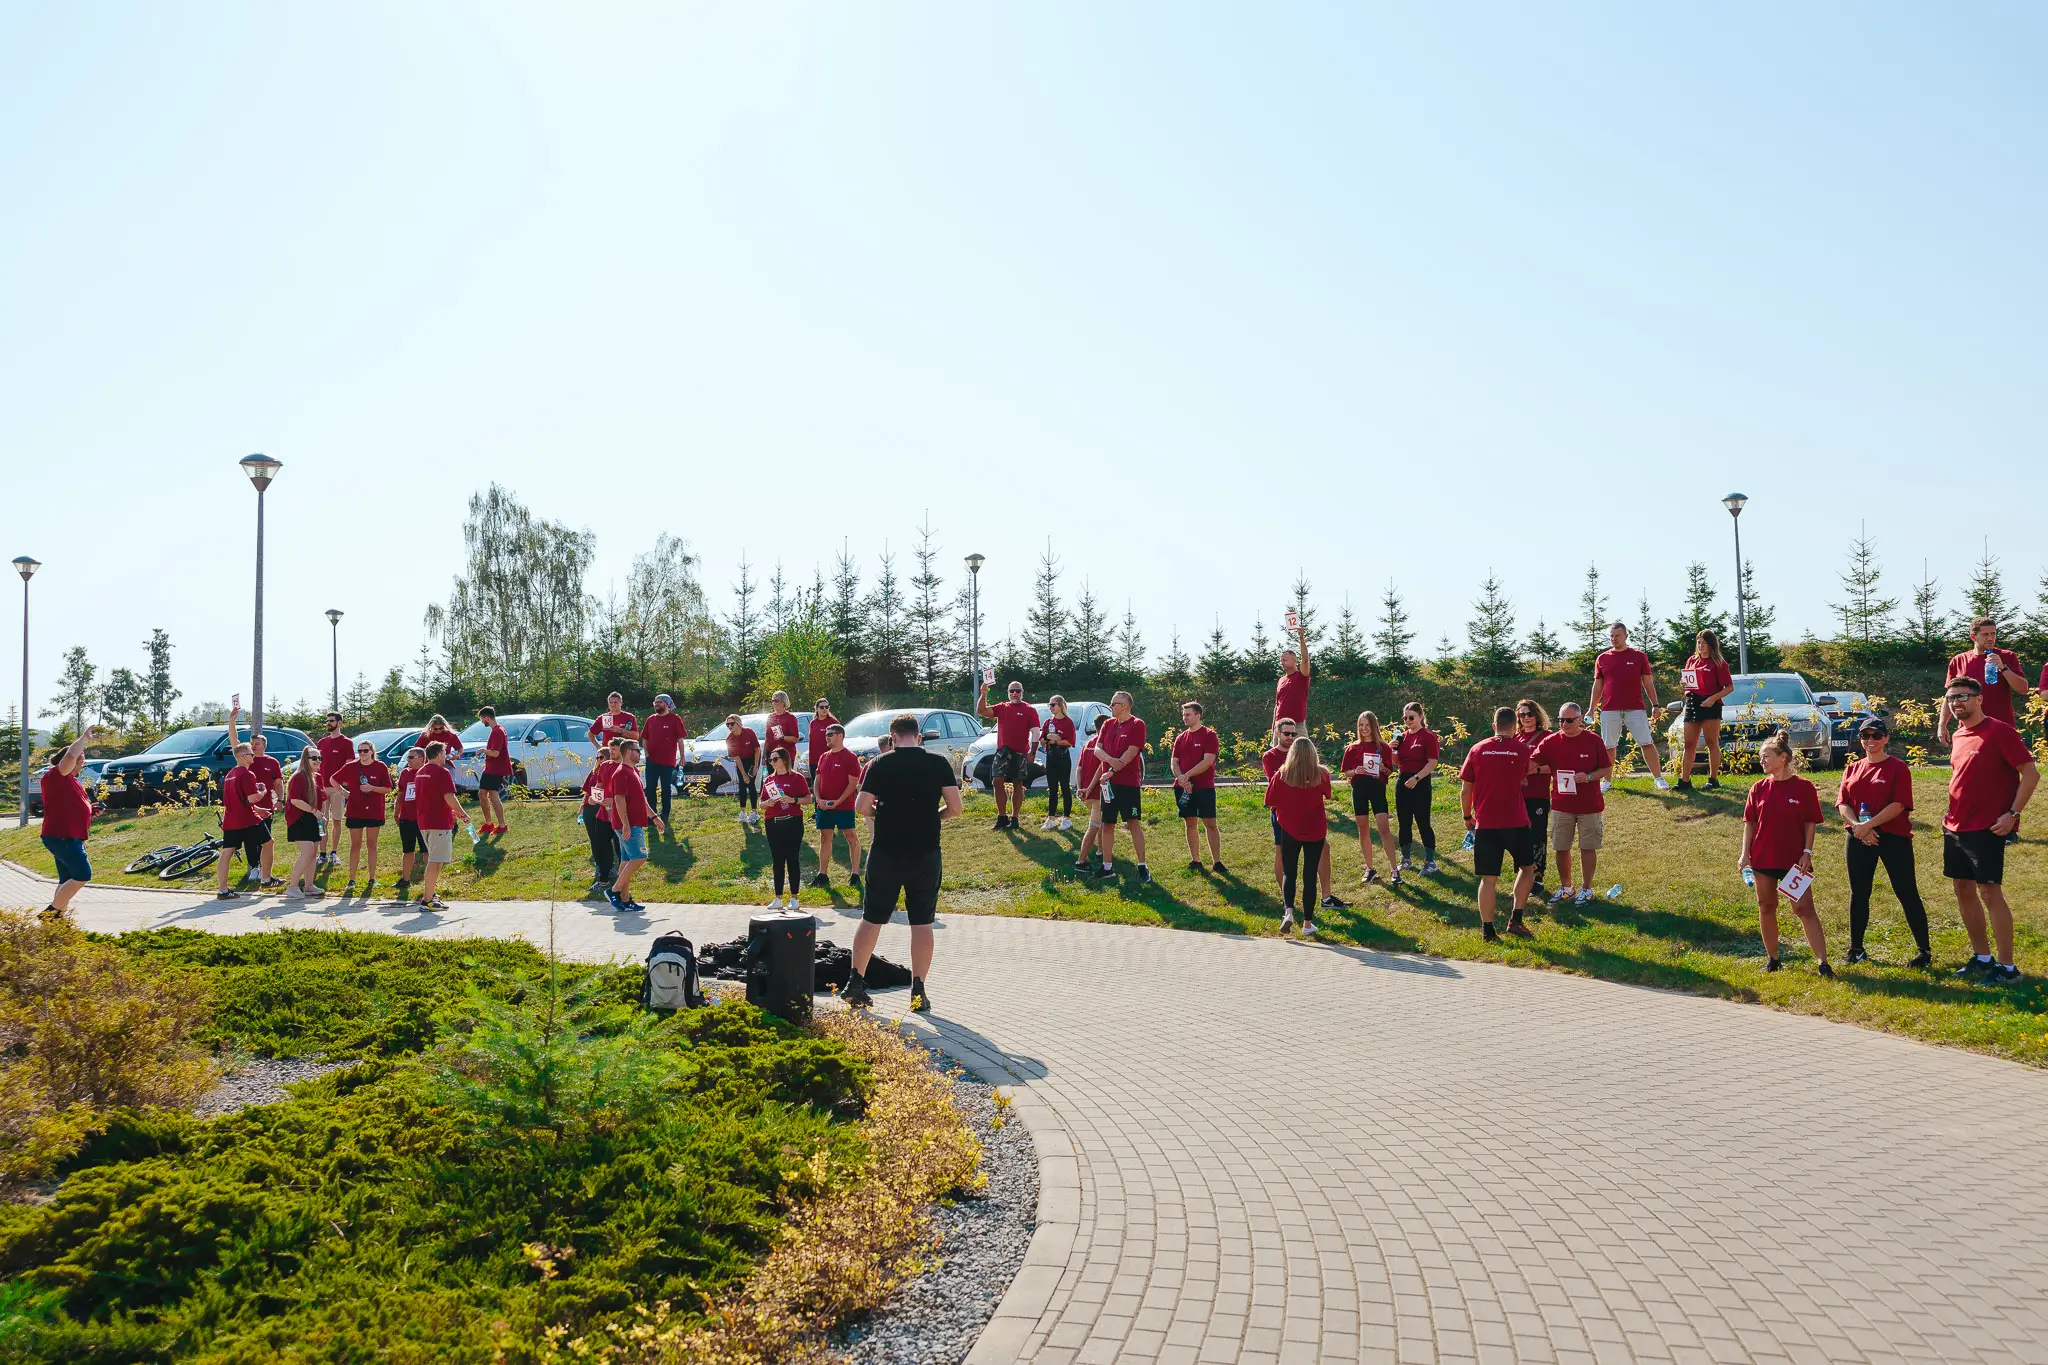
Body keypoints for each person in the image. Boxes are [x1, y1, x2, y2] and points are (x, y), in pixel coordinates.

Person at [843, 712, 962, 1014]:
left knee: (872, 918)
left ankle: (855, 983)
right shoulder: (938, 763)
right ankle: (918, 991)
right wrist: (933, 817)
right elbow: (955, 807)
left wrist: (881, 814)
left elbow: (861, 806)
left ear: (893, 738)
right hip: (925, 852)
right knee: (921, 922)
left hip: (886, 851)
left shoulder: (880, 763)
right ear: (918, 737)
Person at [1938, 676, 2037, 982]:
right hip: (1956, 825)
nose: (1957, 702)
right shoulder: (1959, 734)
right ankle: (1982, 959)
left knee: (1989, 891)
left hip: (1988, 826)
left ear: (1979, 699)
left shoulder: (1999, 731)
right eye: (1952, 698)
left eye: (1963, 696)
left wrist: (2012, 814)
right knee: (1962, 888)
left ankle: (2007, 968)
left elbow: (2030, 773)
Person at [1835, 716, 1931, 968]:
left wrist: (1869, 825)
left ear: (1886, 738)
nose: (1871, 740)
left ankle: (1924, 952)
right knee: (1859, 893)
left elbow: (1899, 805)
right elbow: (1843, 804)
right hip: (1858, 836)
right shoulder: (1852, 769)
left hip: (1893, 837)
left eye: (1876, 735)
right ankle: (1856, 949)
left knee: (1906, 892)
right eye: (1865, 736)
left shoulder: (1898, 768)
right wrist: (1858, 827)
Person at [1737, 733, 1833, 976]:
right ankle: (1773, 959)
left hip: (1794, 861)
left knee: (1804, 908)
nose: (1762, 761)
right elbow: (1749, 823)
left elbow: (1811, 822)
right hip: (1763, 859)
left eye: (1766, 756)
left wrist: (1807, 852)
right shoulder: (1758, 788)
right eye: (1760, 757)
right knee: (1766, 906)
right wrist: (1744, 854)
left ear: (1783, 758)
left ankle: (1823, 963)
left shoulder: (1804, 787)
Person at [1460, 707, 1538, 942]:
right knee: (1528, 869)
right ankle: (1516, 919)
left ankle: (1488, 930)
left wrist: (1467, 817)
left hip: (1486, 823)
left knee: (1488, 879)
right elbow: (1526, 773)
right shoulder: (1522, 749)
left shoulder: (1477, 749)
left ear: (1494, 726)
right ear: (1515, 727)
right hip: (1516, 821)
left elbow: (1466, 790)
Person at [1531, 703, 1613, 906]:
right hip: (1562, 805)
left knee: (1588, 847)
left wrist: (1589, 777)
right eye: (1560, 720)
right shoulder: (1551, 741)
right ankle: (1566, 887)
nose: (1564, 724)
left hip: (1589, 806)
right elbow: (1532, 762)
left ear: (1579, 720)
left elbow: (1606, 768)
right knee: (1561, 847)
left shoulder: (1593, 740)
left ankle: (1587, 889)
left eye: (1569, 720)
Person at [1265, 735, 1335, 935]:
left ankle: (1288, 912)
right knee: (1310, 875)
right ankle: (1307, 924)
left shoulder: (1282, 774)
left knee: (1289, 872)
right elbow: (1328, 793)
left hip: (1289, 828)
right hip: (1315, 829)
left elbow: (1270, 800)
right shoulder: (1321, 774)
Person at [1589, 622, 1669, 791]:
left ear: (1626, 636)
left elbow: (1648, 682)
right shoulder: (1602, 658)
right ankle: (1606, 781)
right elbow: (1598, 686)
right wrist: (1591, 709)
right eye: (1611, 636)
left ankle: (1659, 779)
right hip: (1609, 709)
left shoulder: (1639, 656)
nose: (1614, 639)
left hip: (1635, 709)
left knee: (1646, 743)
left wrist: (1655, 705)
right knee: (1609, 746)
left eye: (1617, 635)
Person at [37, 727, 98, 923]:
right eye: (81, 761)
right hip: (62, 836)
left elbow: (72, 806)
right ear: (69, 762)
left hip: (70, 837)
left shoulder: (72, 781)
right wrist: (84, 739)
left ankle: (57, 921)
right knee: (82, 875)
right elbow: (71, 754)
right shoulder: (56, 776)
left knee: (66, 879)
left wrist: (91, 810)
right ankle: (50, 914)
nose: (82, 764)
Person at [1096, 691, 1150, 882]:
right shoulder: (1107, 724)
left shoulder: (1137, 724)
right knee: (1107, 824)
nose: (1110, 707)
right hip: (1108, 785)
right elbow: (1097, 749)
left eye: (1113, 704)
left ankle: (1142, 865)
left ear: (1125, 706)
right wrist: (1110, 761)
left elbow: (1131, 752)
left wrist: (1112, 769)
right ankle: (1107, 866)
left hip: (1128, 784)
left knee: (1132, 822)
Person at [1339, 711, 1398, 886]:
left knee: (1384, 829)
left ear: (1374, 726)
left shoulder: (1383, 747)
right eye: (1361, 725)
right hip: (1359, 791)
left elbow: (1389, 771)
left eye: (1367, 725)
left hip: (1377, 790)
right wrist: (1355, 771)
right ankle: (1370, 868)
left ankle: (1394, 869)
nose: (1364, 728)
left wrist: (1382, 768)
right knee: (1363, 829)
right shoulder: (1352, 748)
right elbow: (1346, 772)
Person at [227, 703, 282, 888]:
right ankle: (254, 867)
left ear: (264, 745)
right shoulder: (245, 759)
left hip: (265, 805)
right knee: (251, 839)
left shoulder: (272, 762)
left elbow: (278, 782)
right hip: (249, 806)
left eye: (257, 743)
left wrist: (279, 800)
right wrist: (232, 721)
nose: (253, 745)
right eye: (252, 743)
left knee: (266, 839)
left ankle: (265, 872)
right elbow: (234, 740)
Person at [606, 739, 665, 911]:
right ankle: (614, 891)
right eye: (637, 750)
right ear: (627, 752)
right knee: (640, 857)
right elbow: (619, 799)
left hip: (632, 823)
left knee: (626, 861)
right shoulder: (621, 773)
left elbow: (641, 800)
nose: (640, 753)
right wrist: (625, 824)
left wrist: (654, 817)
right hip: (628, 824)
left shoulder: (633, 771)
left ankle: (625, 900)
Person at [1944, 616, 2030, 731]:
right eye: (1985, 634)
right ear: (1973, 637)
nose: (1990, 638)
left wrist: (2002, 667)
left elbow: (2023, 689)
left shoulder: (2007, 656)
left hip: (2002, 727)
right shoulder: (1959, 660)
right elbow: (1949, 696)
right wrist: (1942, 725)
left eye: (1993, 634)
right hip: (1969, 728)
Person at [213, 742, 275, 900]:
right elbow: (253, 798)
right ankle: (266, 879)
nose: (253, 756)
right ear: (242, 757)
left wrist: (258, 809)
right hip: (248, 819)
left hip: (231, 820)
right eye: (251, 754)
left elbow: (241, 800)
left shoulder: (230, 774)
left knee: (227, 852)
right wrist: (263, 792)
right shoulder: (247, 774)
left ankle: (223, 890)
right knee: (268, 843)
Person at [331, 738, 393, 896]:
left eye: (365, 750)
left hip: (374, 811)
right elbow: (333, 779)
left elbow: (388, 788)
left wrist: (372, 788)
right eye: (359, 751)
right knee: (355, 845)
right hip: (355, 810)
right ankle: (351, 879)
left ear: (372, 751)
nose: (362, 753)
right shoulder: (351, 766)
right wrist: (344, 793)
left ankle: (372, 878)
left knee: (372, 844)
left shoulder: (380, 766)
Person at [411, 740, 468, 911]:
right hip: (438, 823)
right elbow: (449, 796)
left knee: (435, 859)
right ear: (438, 755)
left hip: (425, 822)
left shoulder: (420, 772)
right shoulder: (442, 772)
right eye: (444, 752)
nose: (446, 755)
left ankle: (430, 894)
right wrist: (462, 813)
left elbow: (432, 797)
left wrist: (450, 811)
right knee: (435, 861)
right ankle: (427, 900)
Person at [1676, 630, 1735, 790]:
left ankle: (1713, 779)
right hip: (1692, 702)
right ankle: (1685, 781)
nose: (1700, 646)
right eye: (1698, 642)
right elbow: (1688, 682)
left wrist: (1713, 698)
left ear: (1711, 644)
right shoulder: (1692, 660)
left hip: (1711, 704)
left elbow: (1729, 687)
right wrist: (1683, 683)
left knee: (1711, 742)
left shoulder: (1718, 662)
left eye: (1704, 643)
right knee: (1689, 743)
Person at [978, 679, 1040, 831]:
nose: (1014, 693)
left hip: (1020, 752)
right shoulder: (1002, 707)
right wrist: (983, 694)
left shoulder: (1029, 710)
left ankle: (1015, 818)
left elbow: (1035, 732)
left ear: (1022, 692)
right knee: (996, 782)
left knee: (1018, 784)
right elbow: (982, 711)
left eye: (1017, 691)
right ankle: (1002, 817)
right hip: (1003, 751)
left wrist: (1032, 752)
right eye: (1012, 691)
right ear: (1008, 693)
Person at [1171, 700, 1223, 871]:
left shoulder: (1209, 735)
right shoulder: (1180, 738)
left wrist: (1187, 775)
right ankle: (1196, 860)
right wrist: (1181, 778)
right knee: (1190, 823)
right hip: (1183, 788)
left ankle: (1217, 862)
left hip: (1204, 787)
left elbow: (1208, 761)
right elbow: (1174, 762)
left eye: (1188, 714)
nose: (1184, 717)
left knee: (1210, 823)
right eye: (1183, 714)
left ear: (1198, 715)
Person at [811, 723, 863, 891]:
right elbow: (817, 779)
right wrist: (818, 799)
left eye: (830, 734)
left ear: (840, 736)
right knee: (824, 838)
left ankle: (855, 874)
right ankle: (822, 874)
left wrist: (838, 801)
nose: (827, 737)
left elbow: (853, 783)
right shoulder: (823, 757)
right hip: (824, 806)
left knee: (851, 837)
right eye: (826, 734)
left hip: (844, 807)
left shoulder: (850, 757)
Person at [759, 748, 812, 909]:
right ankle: (778, 898)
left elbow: (808, 799)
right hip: (773, 823)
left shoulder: (797, 778)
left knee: (792, 859)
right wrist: (768, 803)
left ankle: (794, 898)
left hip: (792, 822)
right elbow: (761, 804)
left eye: (775, 759)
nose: (772, 762)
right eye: (770, 760)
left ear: (784, 760)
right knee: (777, 860)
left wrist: (793, 800)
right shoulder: (769, 780)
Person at [1512, 699, 1553, 898]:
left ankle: (1537, 877)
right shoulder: (1514, 737)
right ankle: (1521, 874)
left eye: (1529, 714)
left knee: (1536, 836)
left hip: (1538, 795)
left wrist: (1534, 770)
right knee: (1517, 835)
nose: (1526, 718)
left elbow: (1556, 764)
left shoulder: (1548, 737)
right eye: (1522, 714)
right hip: (1516, 796)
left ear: (1537, 715)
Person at [1394, 702, 1441, 873]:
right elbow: (1397, 762)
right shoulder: (1402, 737)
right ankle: (1406, 859)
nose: (1408, 720)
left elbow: (1432, 762)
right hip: (1403, 782)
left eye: (1411, 717)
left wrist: (1417, 778)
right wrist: (1393, 750)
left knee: (1423, 822)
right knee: (1404, 822)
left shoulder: (1428, 736)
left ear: (1421, 716)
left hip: (1420, 782)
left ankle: (1430, 862)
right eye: (1405, 718)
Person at [281, 751, 326, 900]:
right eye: (314, 758)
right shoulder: (299, 776)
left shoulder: (318, 777)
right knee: (307, 852)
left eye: (319, 758)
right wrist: (314, 811)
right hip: (299, 819)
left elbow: (322, 798)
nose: (318, 760)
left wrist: (323, 816)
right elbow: (295, 800)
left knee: (313, 853)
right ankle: (292, 886)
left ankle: (309, 886)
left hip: (313, 818)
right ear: (305, 759)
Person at [313, 712, 355, 867]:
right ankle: (322, 853)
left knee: (337, 820)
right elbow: (315, 764)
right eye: (328, 721)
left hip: (337, 788)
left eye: (332, 721)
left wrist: (344, 782)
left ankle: (334, 853)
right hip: (322, 787)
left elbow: (350, 764)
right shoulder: (322, 742)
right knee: (321, 821)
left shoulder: (347, 742)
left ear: (340, 723)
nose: (329, 723)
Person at [581, 739, 620, 897]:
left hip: (617, 814)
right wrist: (590, 800)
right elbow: (596, 788)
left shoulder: (623, 768)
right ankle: (603, 878)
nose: (598, 760)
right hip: (600, 813)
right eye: (596, 757)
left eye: (601, 757)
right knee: (599, 844)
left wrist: (612, 801)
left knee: (619, 846)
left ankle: (620, 880)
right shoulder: (601, 769)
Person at [1074, 715, 1112, 875]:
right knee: (1094, 826)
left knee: (1103, 822)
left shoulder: (1088, 744)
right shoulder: (1104, 745)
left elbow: (1079, 768)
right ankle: (1081, 861)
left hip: (1086, 793)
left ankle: (1100, 851)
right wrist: (1089, 788)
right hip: (1096, 793)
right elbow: (1101, 769)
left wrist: (1080, 788)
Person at [642, 695, 687, 826]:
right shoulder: (651, 719)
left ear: (667, 704)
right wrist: (647, 754)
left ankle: (665, 814)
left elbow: (680, 739)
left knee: (666, 789)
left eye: (660, 702)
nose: (656, 704)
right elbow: (645, 738)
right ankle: (652, 816)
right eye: (655, 702)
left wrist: (682, 756)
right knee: (650, 788)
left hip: (667, 761)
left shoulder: (675, 719)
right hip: (651, 760)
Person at [391, 746, 427, 902]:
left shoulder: (427, 772)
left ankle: (429, 882)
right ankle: (405, 879)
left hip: (423, 818)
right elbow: (400, 793)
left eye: (411, 758)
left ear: (421, 759)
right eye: (408, 758)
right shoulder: (405, 773)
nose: (408, 761)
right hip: (406, 817)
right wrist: (396, 811)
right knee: (407, 850)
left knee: (426, 851)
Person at [1040, 695, 1078, 831]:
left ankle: (1066, 818)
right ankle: (1051, 818)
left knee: (1065, 787)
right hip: (1051, 757)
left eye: (1053, 704)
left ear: (1060, 705)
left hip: (1063, 757)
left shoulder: (1068, 722)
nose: (1050, 707)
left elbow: (1070, 742)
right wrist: (1047, 737)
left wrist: (1056, 741)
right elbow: (1042, 741)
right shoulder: (1048, 722)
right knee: (1052, 788)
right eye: (1049, 705)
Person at [475, 706, 513, 837]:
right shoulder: (498, 730)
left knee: (490, 795)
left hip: (495, 768)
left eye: (482, 719)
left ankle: (501, 825)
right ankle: (490, 824)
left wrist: (483, 750)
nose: (482, 722)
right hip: (492, 768)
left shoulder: (497, 731)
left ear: (486, 717)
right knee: (484, 793)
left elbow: (496, 753)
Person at [1273, 614, 1311, 725]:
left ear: (1294, 660)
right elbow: (1277, 705)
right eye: (1281, 660)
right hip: (1279, 726)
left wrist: (1301, 638)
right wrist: (1274, 726)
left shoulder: (1302, 675)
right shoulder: (1281, 680)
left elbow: (1305, 659)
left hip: (1297, 726)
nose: (1281, 662)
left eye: (1284, 660)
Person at [724, 714, 762, 824]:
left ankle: (754, 812)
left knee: (750, 783)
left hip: (753, 759)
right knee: (742, 784)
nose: (729, 726)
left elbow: (757, 750)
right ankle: (743, 812)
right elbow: (736, 758)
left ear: (738, 723)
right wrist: (744, 774)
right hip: (741, 761)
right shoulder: (730, 739)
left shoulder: (749, 732)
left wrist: (755, 766)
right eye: (727, 724)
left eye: (732, 723)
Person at [763, 691, 801, 772]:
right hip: (772, 755)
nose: (774, 703)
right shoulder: (770, 717)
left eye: (776, 701)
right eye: (772, 701)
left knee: (785, 778)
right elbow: (767, 738)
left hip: (785, 755)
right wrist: (764, 756)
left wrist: (782, 737)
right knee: (772, 779)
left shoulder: (791, 718)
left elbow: (795, 738)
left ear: (783, 702)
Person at [806, 698, 838, 781]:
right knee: (815, 784)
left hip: (828, 759)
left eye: (826, 707)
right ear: (816, 708)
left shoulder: (833, 722)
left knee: (827, 783)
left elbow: (838, 742)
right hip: (814, 760)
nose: (824, 709)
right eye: (822, 707)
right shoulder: (813, 723)